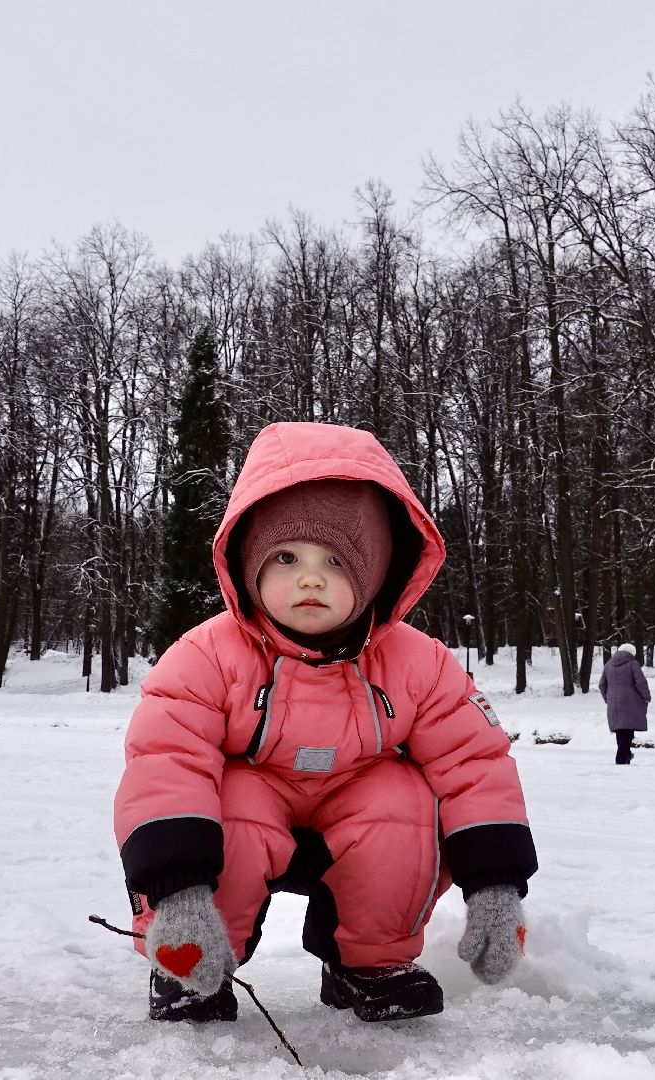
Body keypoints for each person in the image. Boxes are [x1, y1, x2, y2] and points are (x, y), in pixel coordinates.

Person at [114, 422, 537, 1025]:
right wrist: (175, 890)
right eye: (286, 557)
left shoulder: (420, 663)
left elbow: (474, 763)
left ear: (376, 574)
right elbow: (166, 761)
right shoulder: (206, 654)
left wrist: (496, 883)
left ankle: (371, 963)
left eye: (337, 562)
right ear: (248, 562)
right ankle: (193, 959)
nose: (310, 579)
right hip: (251, 808)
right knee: (230, 804)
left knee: (402, 802)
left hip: (357, 811)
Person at [599, 643, 651, 764]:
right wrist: (646, 696)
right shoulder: (632, 664)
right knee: (628, 731)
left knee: (620, 730)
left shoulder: (608, 665)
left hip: (613, 703)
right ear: (632, 653)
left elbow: (602, 685)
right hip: (631, 702)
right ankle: (621, 759)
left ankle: (626, 755)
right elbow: (640, 682)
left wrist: (608, 698)